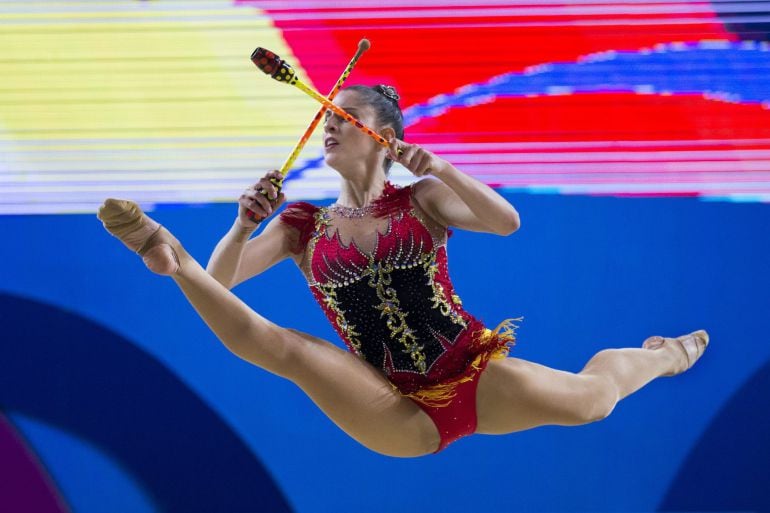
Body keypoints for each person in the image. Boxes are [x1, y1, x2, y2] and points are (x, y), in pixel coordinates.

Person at [97, 84, 708, 457]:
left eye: (343, 116)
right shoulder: (302, 226)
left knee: (597, 398)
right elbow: (222, 284)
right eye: (326, 118)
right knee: (283, 349)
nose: (329, 125)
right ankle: (168, 255)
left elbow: (506, 223)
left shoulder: (422, 200)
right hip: (391, 405)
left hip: (473, 371)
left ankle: (664, 355)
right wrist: (241, 226)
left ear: (380, 134)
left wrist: (439, 166)